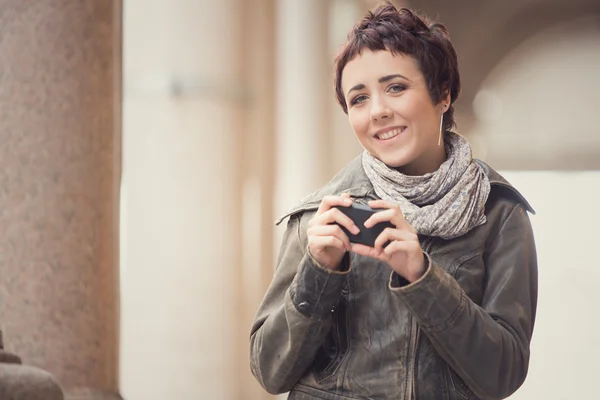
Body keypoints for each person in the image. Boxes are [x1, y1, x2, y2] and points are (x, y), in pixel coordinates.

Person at [250, 3, 538, 399]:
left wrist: (423, 277)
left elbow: (502, 375)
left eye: (396, 87)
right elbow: (270, 372)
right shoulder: (320, 218)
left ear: (443, 94)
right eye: (359, 99)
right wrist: (318, 272)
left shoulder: (498, 212)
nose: (379, 112)